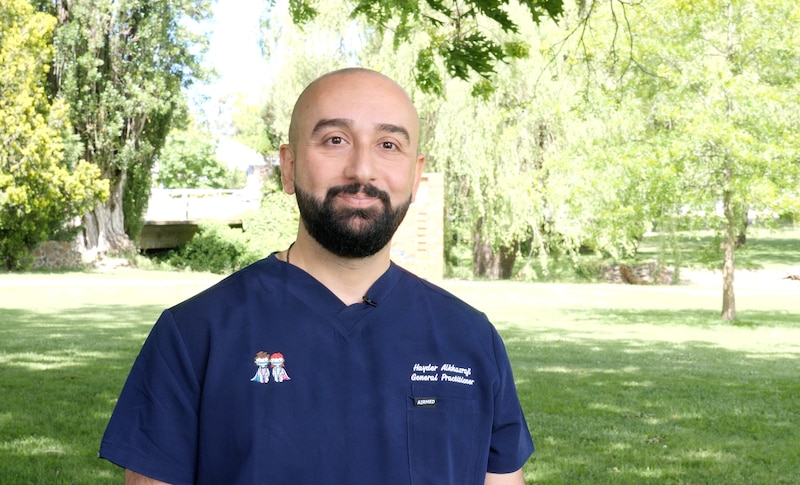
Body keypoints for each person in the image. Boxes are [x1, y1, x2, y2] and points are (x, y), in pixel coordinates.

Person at [99, 67, 534, 484]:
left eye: (388, 145)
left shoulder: (472, 340)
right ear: (289, 168)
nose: (362, 170)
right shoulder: (193, 336)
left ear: (415, 175)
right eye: (335, 139)